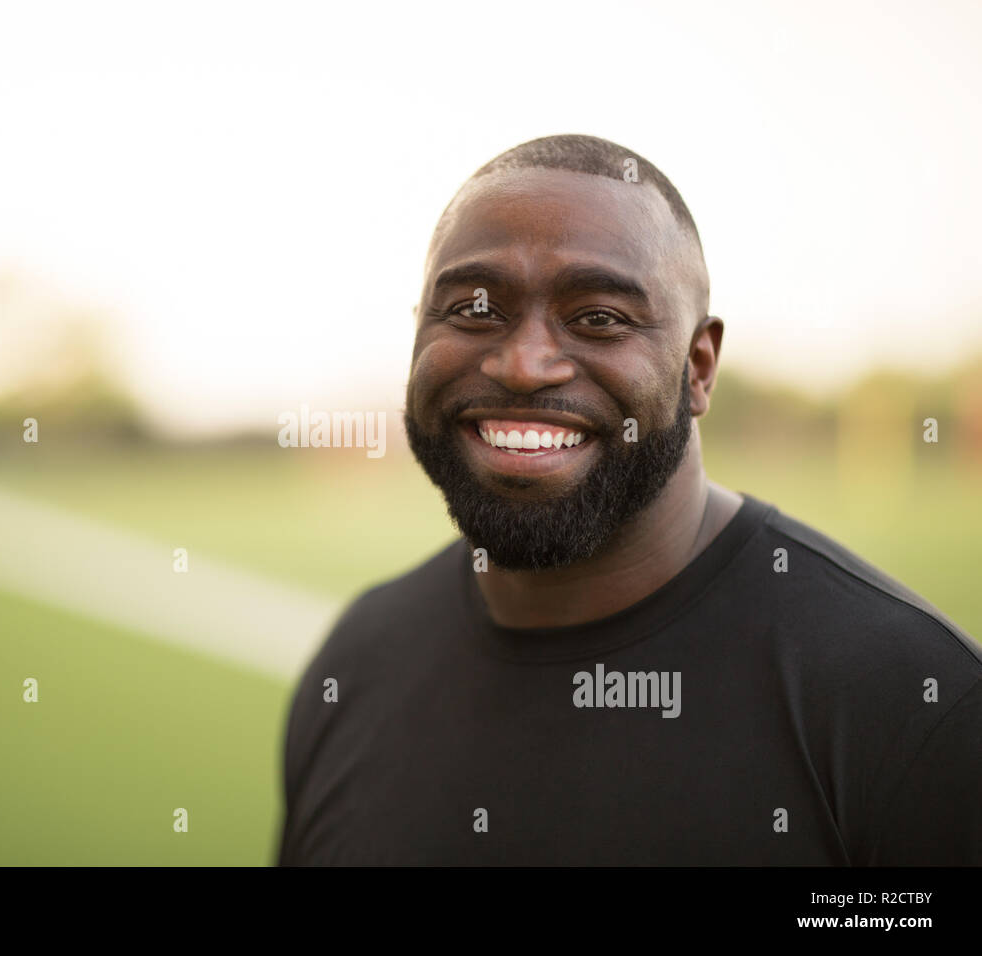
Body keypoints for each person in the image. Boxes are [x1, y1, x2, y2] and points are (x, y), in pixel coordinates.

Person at [276, 134, 982, 866]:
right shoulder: (356, 663)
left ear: (699, 366)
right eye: (473, 309)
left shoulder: (912, 707)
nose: (523, 363)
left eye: (599, 318)